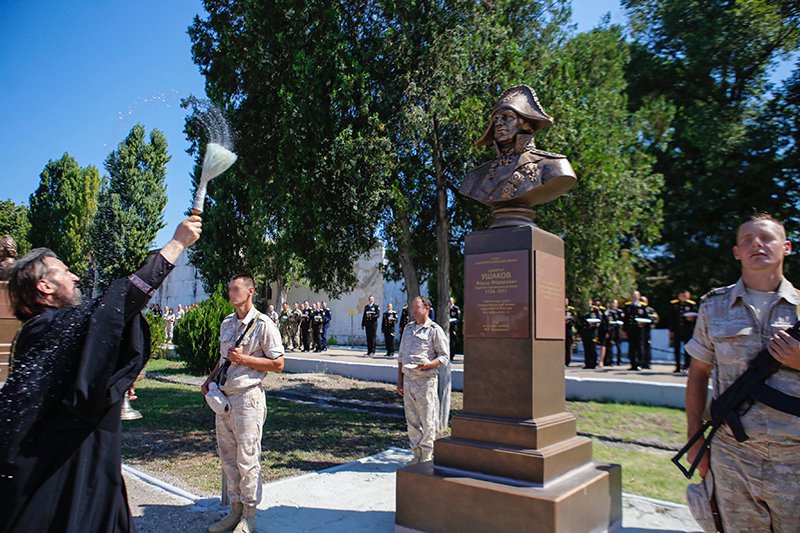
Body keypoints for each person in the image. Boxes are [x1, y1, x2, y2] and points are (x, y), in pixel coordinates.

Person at [0, 216, 202, 533]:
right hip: (61, 479)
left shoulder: (50, 333)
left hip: (92, 469)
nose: (76, 276)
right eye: (65, 271)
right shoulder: (45, 329)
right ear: (45, 286)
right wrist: (177, 244)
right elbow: (116, 306)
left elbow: (82, 375)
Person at [684, 213, 800, 532]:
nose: (756, 244)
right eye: (747, 240)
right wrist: (695, 440)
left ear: (786, 247)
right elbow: (697, 374)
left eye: (766, 238)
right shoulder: (713, 306)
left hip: (795, 455)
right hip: (732, 455)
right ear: (737, 252)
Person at [201, 273, 284, 533]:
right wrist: (210, 379)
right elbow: (223, 358)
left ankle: (249, 516)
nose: (230, 293)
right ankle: (234, 510)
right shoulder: (227, 323)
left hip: (248, 399)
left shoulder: (263, 324)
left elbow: (279, 363)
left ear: (250, 291)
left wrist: (245, 360)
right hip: (224, 398)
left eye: (235, 289)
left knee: (248, 460)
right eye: (229, 289)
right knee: (228, 460)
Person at [396, 296, 449, 464]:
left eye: (417, 308)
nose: (413, 311)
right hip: (408, 381)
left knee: (427, 420)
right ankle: (416, 455)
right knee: (411, 420)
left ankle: (426, 456)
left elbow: (444, 356)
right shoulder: (408, 329)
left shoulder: (434, 330)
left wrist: (428, 365)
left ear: (426, 308)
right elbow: (401, 358)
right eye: (413, 308)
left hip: (425, 382)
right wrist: (399, 381)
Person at [669, 290, 698, 372]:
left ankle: (687, 365)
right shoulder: (674, 305)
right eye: (682, 295)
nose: (683, 297)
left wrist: (692, 319)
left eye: (685, 296)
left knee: (688, 349)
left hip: (688, 330)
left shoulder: (692, 305)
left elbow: (697, 316)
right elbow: (671, 319)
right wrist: (671, 330)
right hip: (677, 330)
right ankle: (677, 366)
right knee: (677, 349)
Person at [623, 290, 648, 370]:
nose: (633, 296)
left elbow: (646, 318)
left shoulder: (642, 306)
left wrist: (642, 324)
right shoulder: (628, 306)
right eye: (632, 295)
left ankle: (640, 363)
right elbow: (626, 319)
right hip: (631, 329)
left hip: (639, 329)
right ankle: (633, 363)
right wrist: (624, 330)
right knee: (631, 347)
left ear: (639, 296)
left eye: (635, 295)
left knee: (639, 347)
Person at [640, 296, 658, 369]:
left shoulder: (650, 310)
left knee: (647, 346)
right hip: (638, 331)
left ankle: (647, 363)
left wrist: (652, 319)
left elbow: (655, 320)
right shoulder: (638, 308)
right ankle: (640, 362)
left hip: (646, 330)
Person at [605, 299, 623, 366]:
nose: (613, 304)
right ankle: (610, 360)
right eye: (612, 303)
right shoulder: (608, 312)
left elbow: (622, 320)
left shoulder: (619, 312)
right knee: (610, 346)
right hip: (610, 330)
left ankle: (619, 360)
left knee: (618, 346)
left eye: (614, 303)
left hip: (617, 330)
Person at [565, 298, 577, 365]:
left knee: (568, 346)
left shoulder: (571, 309)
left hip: (569, 329)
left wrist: (569, 320)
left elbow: (574, 319)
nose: (565, 302)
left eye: (566, 301)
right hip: (562, 329)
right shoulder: (559, 308)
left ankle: (568, 361)